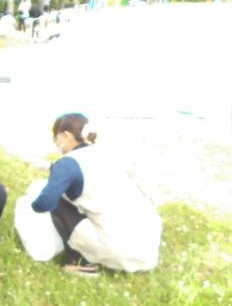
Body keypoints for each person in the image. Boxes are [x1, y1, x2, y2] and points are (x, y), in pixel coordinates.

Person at [31, 113, 161, 275]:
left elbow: (44, 203)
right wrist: (53, 168)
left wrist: (32, 204)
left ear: (66, 135)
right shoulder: (105, 153)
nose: (55, 143)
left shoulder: (67, 163)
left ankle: (81, 262)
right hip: (148, 248)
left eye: (55, 137)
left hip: (119, 250)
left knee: (56, 200)